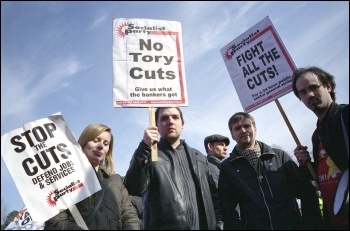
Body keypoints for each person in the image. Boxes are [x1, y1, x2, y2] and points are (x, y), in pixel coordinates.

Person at [218, 112, 322, 230]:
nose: (243, 130)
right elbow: (227, 207)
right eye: (237, 128)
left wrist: (309, 224)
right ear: (232, 135)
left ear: (255, 129)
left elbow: (304, 190)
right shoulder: (228, 167)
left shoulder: (279, 156)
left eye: (247, 126)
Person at [124, 107, 222, 230]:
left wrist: (219, 225)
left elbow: (215, 198)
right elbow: (133, 188)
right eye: (164, 118)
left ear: (182, 124)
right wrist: (144, 147)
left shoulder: (199, 157)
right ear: (156, 126)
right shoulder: (148, 155)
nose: (170, 121)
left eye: (175, 117)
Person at [45, 124, 140, 230]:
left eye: (106, 143)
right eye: (95, 140)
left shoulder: (115, 180)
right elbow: (55, 220)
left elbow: (129, 217)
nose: (101, 146)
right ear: (84, 142)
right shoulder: (62, 178)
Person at [292, 66, 349, 230]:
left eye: (313, 87)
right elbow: (319, 177)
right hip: (334, 220)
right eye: (302, 92)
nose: (309, 95)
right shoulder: (316, 135)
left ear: (328, 86)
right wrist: (305, 165)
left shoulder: (345, 116)